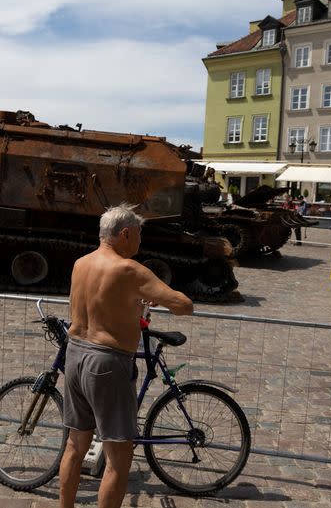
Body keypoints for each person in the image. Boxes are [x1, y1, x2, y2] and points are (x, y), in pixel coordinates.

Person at [58, 203, 193, 508]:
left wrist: (137, 300)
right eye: (139, 235)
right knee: (119, 457)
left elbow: (104, 302)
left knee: (75, 446)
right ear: (126, 233)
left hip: (76, 353)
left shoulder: (81, 263)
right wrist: (165, 299)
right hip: (107, 361)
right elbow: (184, 304)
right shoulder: (129, 269)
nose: (140, 242)